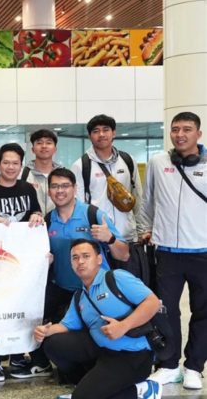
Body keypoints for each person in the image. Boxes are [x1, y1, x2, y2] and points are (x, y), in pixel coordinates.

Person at [21, 168, 130, 380]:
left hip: (95, 292)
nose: (60, 191)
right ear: (49, 191)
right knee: (49, 336)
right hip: (62, 291)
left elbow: (124, 254)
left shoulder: (93, 215)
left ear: (75, 188)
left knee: (100, 337)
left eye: (65, 186)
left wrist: (109, 238)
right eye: (54, 186)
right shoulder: (47, 220)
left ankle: (100, 370)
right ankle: (62, 370)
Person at [35, 239, 163, 399]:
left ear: (99, 259)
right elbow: (66, 325)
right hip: (103, 350)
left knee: (81, 398)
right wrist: (46, 331)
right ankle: (85, 385)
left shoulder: (117, 278)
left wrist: (123, 326)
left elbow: (153, 302)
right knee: (53, 344)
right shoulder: (80, 295)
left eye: (86, 256)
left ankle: (141, 391)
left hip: (132, 355)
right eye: (75, 258)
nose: (80, 261)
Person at [141, 111, 207, 390]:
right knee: (165, 311)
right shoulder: (158, 162)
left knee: (203, 311)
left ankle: (194, 367)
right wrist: (145, 229)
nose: (180, 134)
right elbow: (147, 200)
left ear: (198, 134)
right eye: (175, 129)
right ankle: (168, 365)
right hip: (166, 251)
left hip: (203, 251)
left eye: (187, 129)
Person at [0, 142, 44, 381]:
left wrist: (36, 215)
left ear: (21, 165)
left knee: (19, 307)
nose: (10, 167)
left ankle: (17, 355)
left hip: (22, 260)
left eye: (15, 163)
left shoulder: (28, 189)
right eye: (6, 162)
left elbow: (36, 214)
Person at [71, 114, 143, 246]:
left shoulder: (127, 160)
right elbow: (78, 204)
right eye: (96, 131)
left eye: (106, 130)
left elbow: (137, 195)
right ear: (89, 136)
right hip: (98, 237)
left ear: (113, 133)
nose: (101, 134)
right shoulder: (81, 165)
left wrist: (141, 230)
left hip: (127, 235)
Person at [22, 129, 61, 213]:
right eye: (39, 143)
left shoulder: (63, 174)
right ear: (32, 149)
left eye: (48, 143)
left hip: (58, 220)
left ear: (55, 149)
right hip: (31, 220)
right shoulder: (23, 174)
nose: (44, 146)